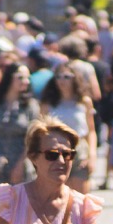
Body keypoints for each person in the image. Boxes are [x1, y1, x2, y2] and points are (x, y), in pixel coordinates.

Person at [0, 62, 41, 217]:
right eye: (20, 77)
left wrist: (21, 164)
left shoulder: (30, 106)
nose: (25, 81)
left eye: (27, 78)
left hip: (20, 159)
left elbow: (32, 136)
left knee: (21, 210)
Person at [45, 60, 98, 195]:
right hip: (55, 151)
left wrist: (92, 154)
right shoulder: (48, 103)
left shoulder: (84, 101)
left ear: (74, 78)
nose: (62, 81)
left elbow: (91, 131)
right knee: (61, 197)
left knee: (81, 199)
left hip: (79, 149)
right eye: (58, 77)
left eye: (67, 77)